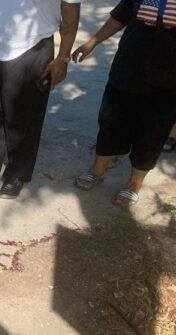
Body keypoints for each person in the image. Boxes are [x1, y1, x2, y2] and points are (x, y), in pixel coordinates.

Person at [0, 0, 80, 199]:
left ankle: (17, 174)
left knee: (23, 116)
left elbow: (71, 12)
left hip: (32, 45)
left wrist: (63, 58)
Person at [70, 0, 176, 207]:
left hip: (169, 80)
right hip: (128, 68)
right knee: (111, 122)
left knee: (153, 132)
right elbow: (120, 16)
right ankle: (97, 170)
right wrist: (92, 42)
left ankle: (134, 183)